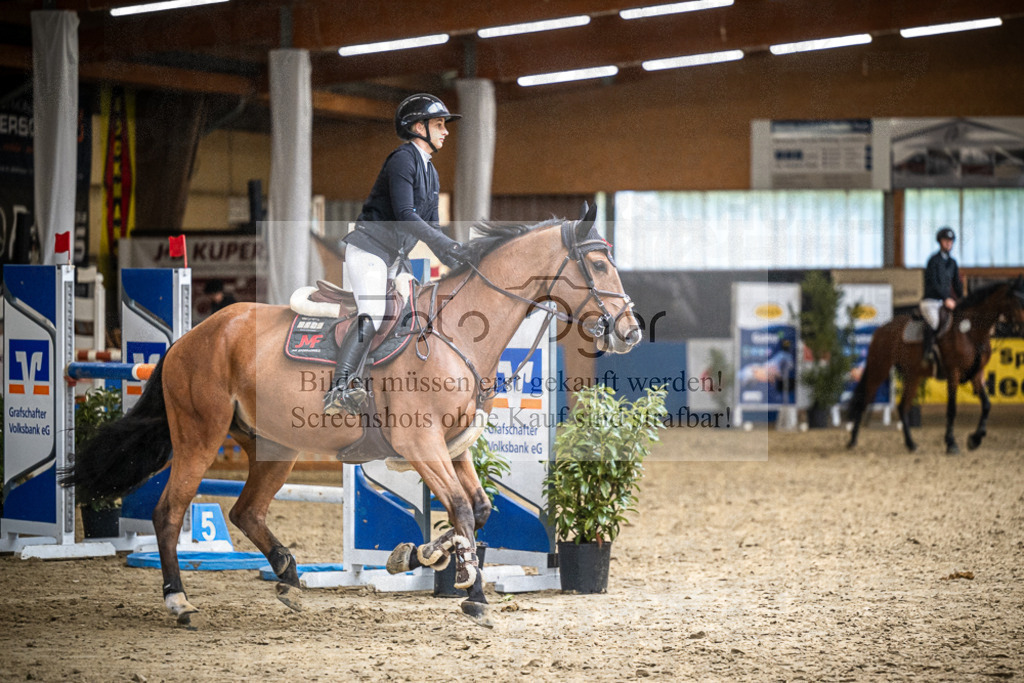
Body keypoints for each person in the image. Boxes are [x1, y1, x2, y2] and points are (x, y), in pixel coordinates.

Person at [324, 93, 466, 416]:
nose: (445, 131)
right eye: (439, 124)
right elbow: (405, 214)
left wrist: (459, 256)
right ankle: (340, 387)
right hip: (368, 251)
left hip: (393, 260)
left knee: (418, 311)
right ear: (418, 127)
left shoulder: (431, 173)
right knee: (374, 312)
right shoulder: (403, 160)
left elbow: (433, 229)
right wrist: (445, 247)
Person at [919, 226, 963, 368]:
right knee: (935, 322)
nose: (948, 243)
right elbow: (933, 283)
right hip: (931, 301)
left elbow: (957, 284)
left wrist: (964, 300)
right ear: (940, 242)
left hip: (946, 302)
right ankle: (928, 353)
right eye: (946, 241)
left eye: (951, 241)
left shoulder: (953, 263)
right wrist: (946, 299)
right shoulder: (933, 261)